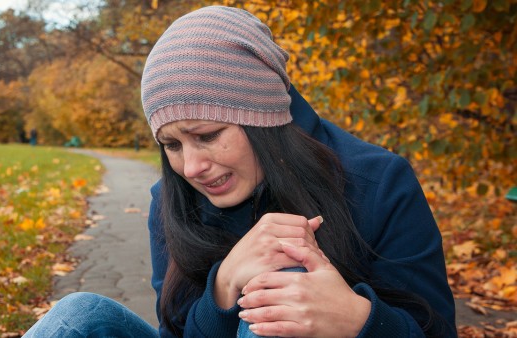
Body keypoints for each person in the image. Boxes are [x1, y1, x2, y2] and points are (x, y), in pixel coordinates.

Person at [23, 5, 456, 338]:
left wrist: (358, 318)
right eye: (172, 145)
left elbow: (436, 329)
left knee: (279, 289)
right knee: (78, 317)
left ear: (261, 116)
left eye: (208, 135)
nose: (191, 167)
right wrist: (224, 283)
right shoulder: (170, 198)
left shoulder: (379, 182)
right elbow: (176, 329)